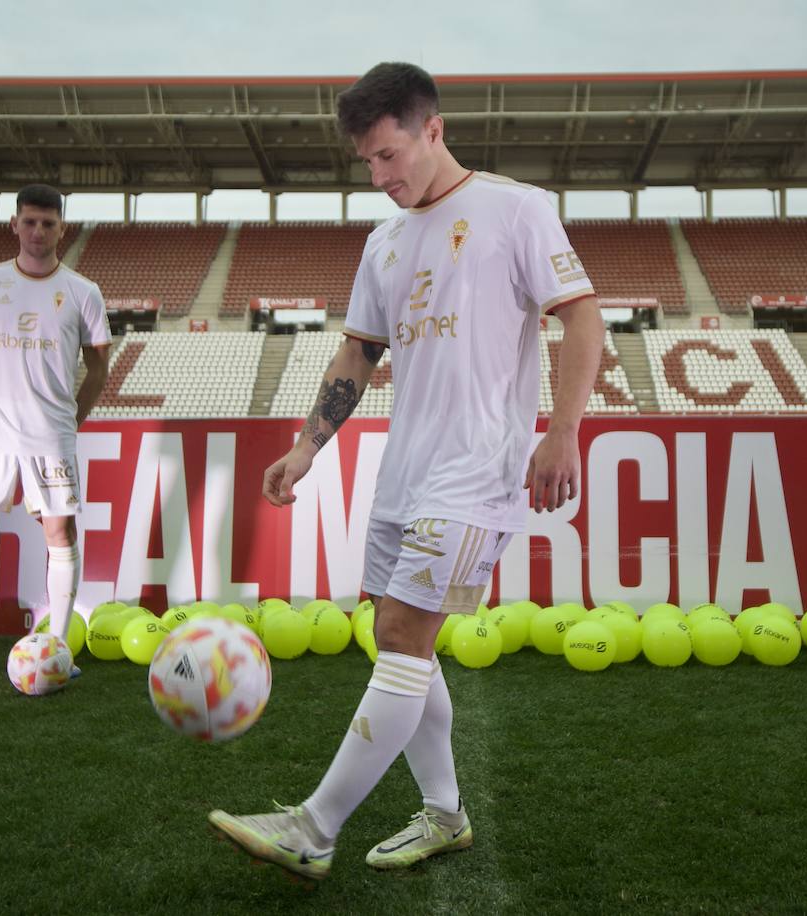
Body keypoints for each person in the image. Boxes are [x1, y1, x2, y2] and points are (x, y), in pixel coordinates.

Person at [208, 62, 605, 879]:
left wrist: (563, 430)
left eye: (389, 155)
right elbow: (359, 352)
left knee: (400, 636)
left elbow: (583, 316)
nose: (379, 177)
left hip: (477, 473)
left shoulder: (515, 209)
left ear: (434, 130)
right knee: (392, 638)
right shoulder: (383, 241)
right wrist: (307, 445)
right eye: (367, 162)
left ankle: (314, 828)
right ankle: (446, 815)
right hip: (403, 476)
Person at [0, 184, 111, 684]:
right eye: (29, 221)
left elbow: (98, 367)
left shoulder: (83, 291)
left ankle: (58, 649)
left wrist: (71, 419)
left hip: (51, 435)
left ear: (61, 229)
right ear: (14, 224)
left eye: (48, 223)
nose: (38, 231)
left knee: (60, 534)